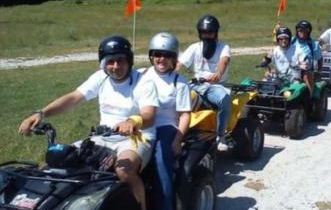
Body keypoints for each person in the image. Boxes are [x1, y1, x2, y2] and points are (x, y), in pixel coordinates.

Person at [18, 35, 158, 210]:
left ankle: (142, 206)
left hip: (136, 138)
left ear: (129, 60)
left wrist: (132, 121)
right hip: (102, 136)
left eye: (120, 61)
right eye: (110, 61)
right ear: (103, 63)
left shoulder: (143, 82)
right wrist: (42, 113)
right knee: (57, 161)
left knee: (124, 170)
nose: (115, 66)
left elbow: (149, 114)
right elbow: (73, 98)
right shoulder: (101, 77)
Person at [142, 32, 191, 210]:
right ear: (151, 56)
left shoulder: (179, 82)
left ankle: (165, 205)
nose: (161, 59)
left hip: (165, 127)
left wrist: (178, 140)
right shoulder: (141, 75)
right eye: (157, 54)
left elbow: (185, 114)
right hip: (141, 127)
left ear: (174, 58)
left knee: (162, 163)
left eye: (167, 55)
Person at [176, 14, 231, 151]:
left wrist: (218, 73)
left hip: (214, 86)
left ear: (216, 33)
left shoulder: (223, 47)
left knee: (224, 99)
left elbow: (224, 61)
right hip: (196, 84)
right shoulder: (194, 47)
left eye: (210, 32)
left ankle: (220, 136)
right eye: (204, 32)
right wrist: (170, 75)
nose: (207, 35)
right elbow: (179, 64)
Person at [292, 20, 321, 96]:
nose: (302, 32)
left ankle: (309, 100)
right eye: (300, 30)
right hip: (290, 69)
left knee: (306, 77)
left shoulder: (314, 44)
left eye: (305, 31)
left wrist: (319, 71)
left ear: (309, 32)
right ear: (297, 31)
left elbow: (320, 59)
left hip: (306, 71)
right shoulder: (291, 41)